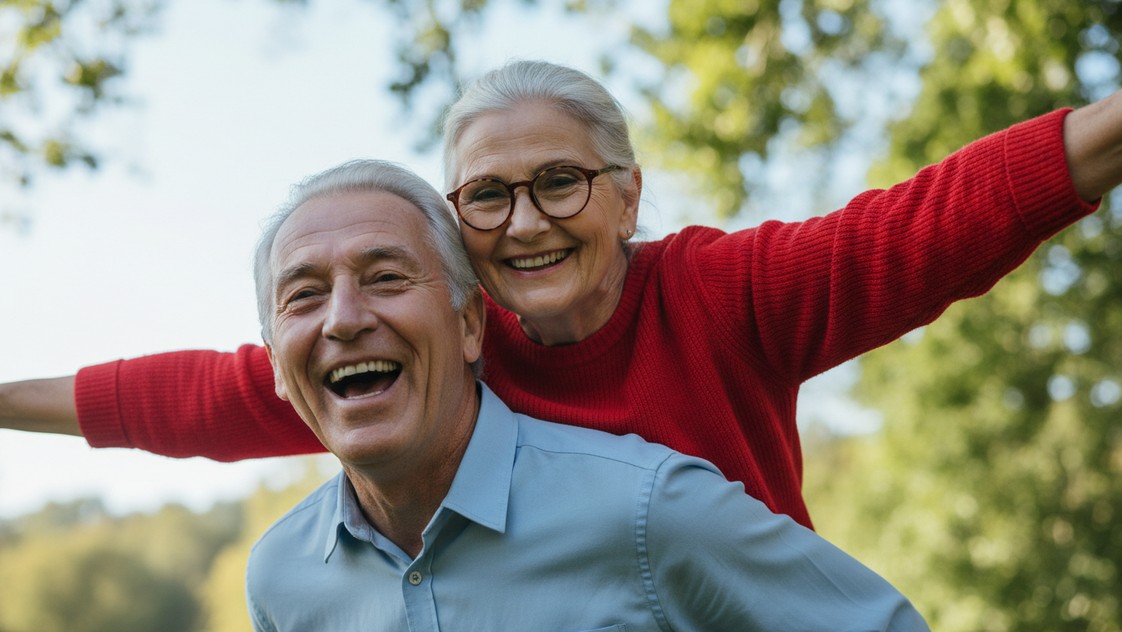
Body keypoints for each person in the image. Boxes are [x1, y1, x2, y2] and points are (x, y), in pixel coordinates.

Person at [2, 60, 1121, 530]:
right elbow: (188, 397)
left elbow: (938, 220)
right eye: (486, 197)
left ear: (625, 195)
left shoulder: (724, 293)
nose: (525, 221)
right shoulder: (437, 353)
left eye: (559, 183)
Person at [243, 157, 928, 630]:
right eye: (304, 295)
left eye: (386, 277)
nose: (342, 318)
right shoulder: (279, 578)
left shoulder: (649, 510)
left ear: (470, 324)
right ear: (277, 365)